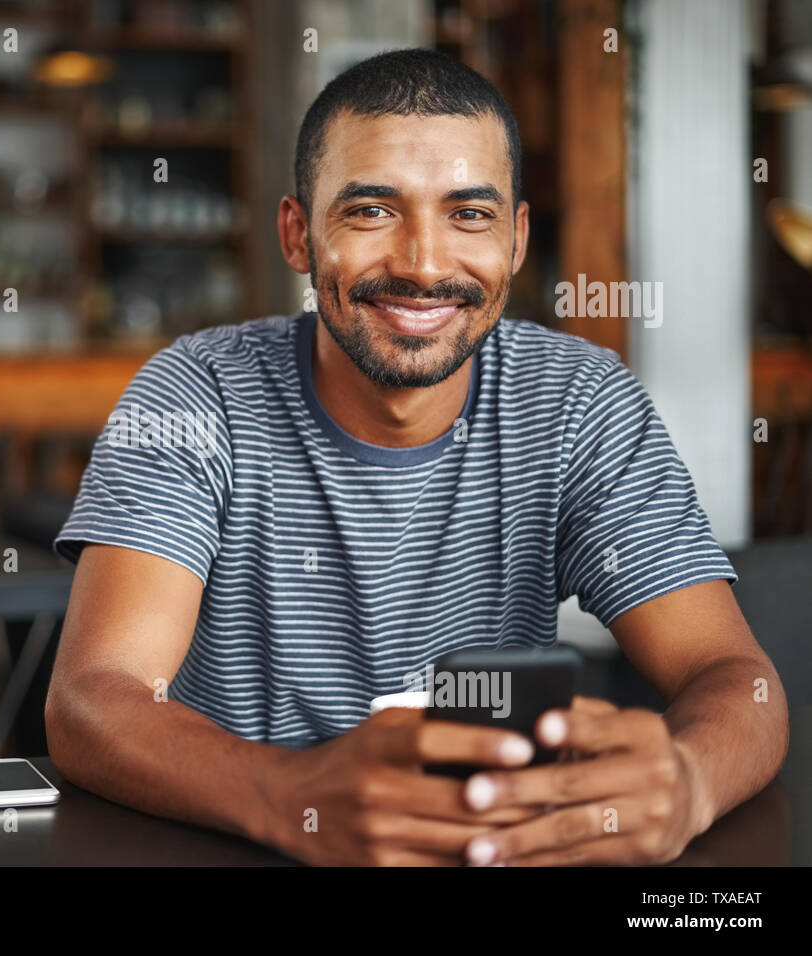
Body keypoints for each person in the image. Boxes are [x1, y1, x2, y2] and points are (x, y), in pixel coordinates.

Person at [44, 49, 788, 866]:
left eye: (470, 215)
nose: (425, 264)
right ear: (299, 234)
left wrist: (685, 782)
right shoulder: (195, 395)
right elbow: (94, 698)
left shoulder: (577, 401)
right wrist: (290, 797)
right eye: (370, 211)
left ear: (516, 239)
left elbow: (734, 677)